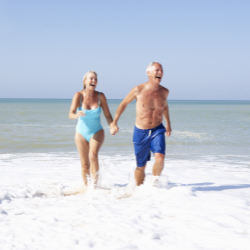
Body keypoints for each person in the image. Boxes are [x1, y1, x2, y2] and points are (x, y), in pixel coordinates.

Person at [110, 62, 171, 186]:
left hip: (158, 129)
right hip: (141, 131)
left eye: (162, 70)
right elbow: (123, 104)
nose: (160, 72)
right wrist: (114, 122)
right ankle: (138, 191)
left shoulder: (165, 92)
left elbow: (164, 107)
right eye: (157, 70)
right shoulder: (138, 90)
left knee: (160, 159)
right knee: (141, 167)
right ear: (148, 73)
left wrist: (168, 124)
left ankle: (153, 184)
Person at [69, 71, 113, 187]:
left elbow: (107, 115)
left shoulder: (100, 96)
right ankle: (86, 189)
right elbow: (71, 114)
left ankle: (94, 187)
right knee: (84, 165)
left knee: (93, 155)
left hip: (97, 131)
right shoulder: (78, 95)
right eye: (91, 78)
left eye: (95, 79)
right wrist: (76, 115)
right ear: (85, 81)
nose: (94, 81)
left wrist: (112, 125)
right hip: (81, 133)